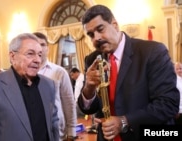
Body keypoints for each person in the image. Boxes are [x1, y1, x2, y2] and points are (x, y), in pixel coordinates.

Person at [77, 4, 180, 141]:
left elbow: (168, 104)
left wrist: (124, 121)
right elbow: (89, 109)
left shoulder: (152, 52)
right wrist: (88, 88)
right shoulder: (92, 59)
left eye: (100, 29)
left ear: (115, 25)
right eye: (91, 35)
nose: (96, 38)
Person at [0, 33, 59, 141]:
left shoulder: (48, 85)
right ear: (12, 56)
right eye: (30, 54)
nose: (37, 60)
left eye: (39, 55)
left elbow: (53, 127)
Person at [33, 32, 77, 141]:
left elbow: (68, 102)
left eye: (42, 45)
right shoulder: (26, 73)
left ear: (47, 48)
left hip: (56, 132)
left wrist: (71, 132)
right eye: (36, 44)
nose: (40, 48)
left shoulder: (59, 72)